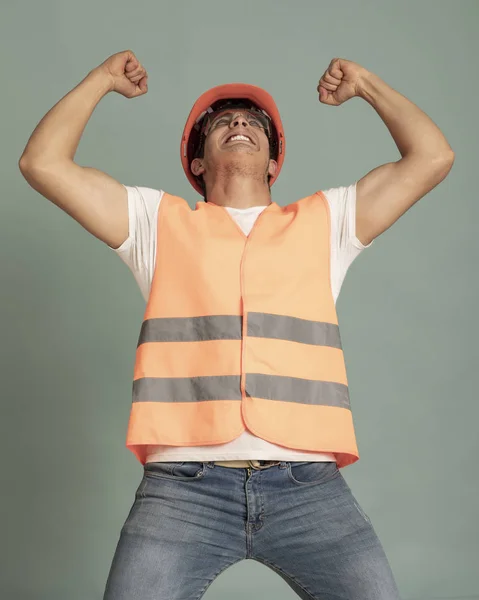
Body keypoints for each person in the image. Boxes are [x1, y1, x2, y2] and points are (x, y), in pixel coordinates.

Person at [19, 50, 454, 600]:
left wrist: (367, 83)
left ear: (274, 162)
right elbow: (42, 164)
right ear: (196, 163)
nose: (240, 123)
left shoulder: (328, 222)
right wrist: (101, 80)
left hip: (309, 488)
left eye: (253, 122)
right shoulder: (156, 223)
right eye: (223, 121)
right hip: (183, 491)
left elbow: (433, 156)